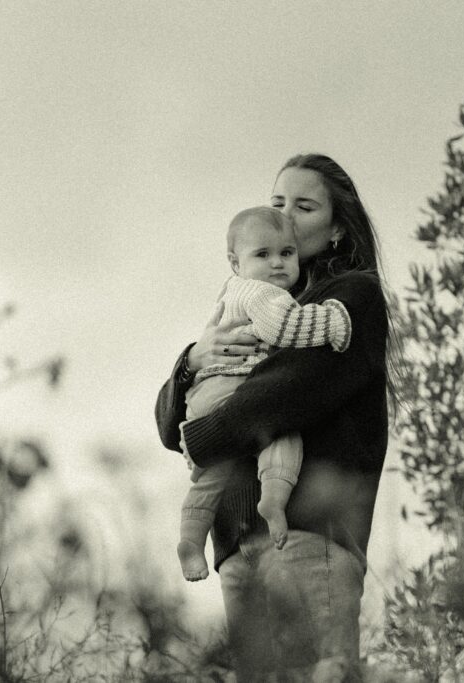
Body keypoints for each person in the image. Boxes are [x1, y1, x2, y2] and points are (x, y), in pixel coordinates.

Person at [156, 154, 397, 681]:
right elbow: (168, 421)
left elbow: (275, 400)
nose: (286, 215)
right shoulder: (249, 303)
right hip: (238, 549)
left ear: (336, 228)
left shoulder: (348, 300)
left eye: (304, 207)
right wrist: (192, 361)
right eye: (277, 202)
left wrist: (199, 438)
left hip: (309, 541)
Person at [177, 206, 352, 583]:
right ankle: (273, 497)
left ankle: (191, 540)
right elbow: (283, 328)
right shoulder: (262, 294)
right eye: (263, 255)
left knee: (213, 475)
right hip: (232, 385)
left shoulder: (233, 291)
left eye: (286, 254)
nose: (277, 264)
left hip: (205, 394)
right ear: (234, 262)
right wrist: (332, 323)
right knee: (282, 433)